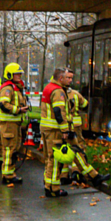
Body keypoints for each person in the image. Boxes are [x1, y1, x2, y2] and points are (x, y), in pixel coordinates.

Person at [63, 69, 109, 187]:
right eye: (69, 78)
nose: (70, 80)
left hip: (62, 127)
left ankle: (64, 176)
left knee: (64, 150)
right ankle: (80, 173)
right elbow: (85, 105)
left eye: (71, 78)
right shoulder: (75, 94)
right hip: (74, 127)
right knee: (78, 150)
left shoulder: (56, 93)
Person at [40, 68, 73, 197]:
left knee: (49, 159)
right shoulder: (58, 91)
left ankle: (48, 185)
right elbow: (59, 111)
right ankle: (54, 189)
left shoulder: (48, 87)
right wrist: (65, 129)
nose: (69, 80)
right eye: (67, 77)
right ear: (61, 78)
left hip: (46, 129)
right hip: (54, 130)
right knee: (55, 160)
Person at [0, 63, 30, 185]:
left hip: (15, 124)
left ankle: (10, 173)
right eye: (17, 74)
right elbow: (3, 104)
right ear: (10, 75)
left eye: (20, 74)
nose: (19, 76)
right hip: (8, 124)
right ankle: (7, 175)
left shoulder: (16, 88)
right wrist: (18, 110)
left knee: (13, 149)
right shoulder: (8, 88)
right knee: (9, 149)